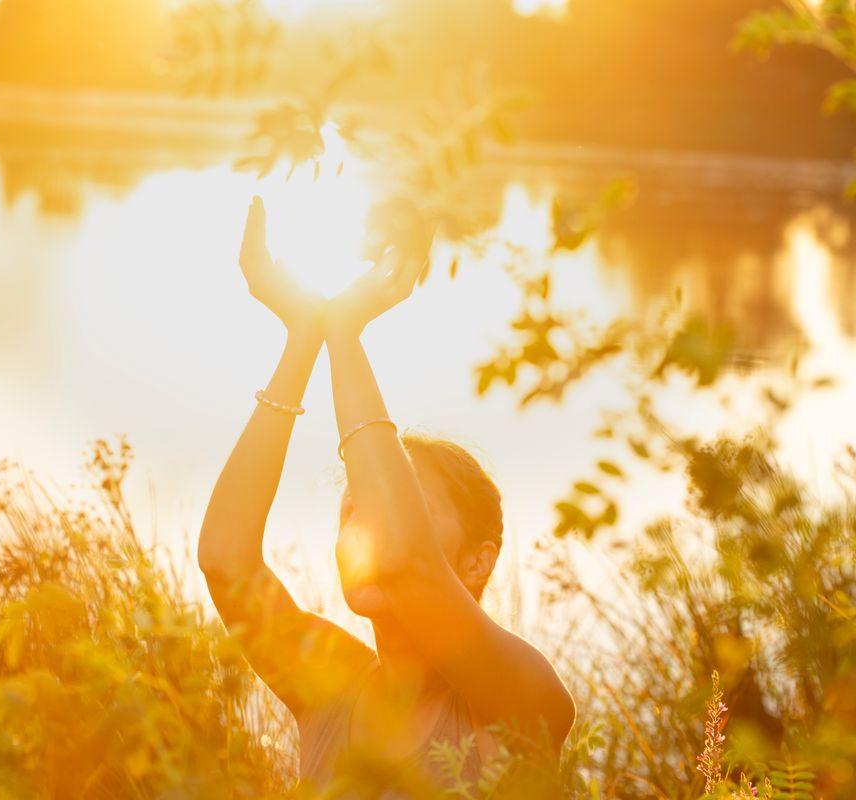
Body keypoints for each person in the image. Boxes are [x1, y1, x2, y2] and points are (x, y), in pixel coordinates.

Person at [197, 196, 575, 797]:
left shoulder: (518, 697)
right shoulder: (331, 683)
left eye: (405, 512)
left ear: (477, 561)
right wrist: (302, 338)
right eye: (353, 511)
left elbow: (406, 566)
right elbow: (225, 558)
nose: (367, 530)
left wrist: (345, 334)